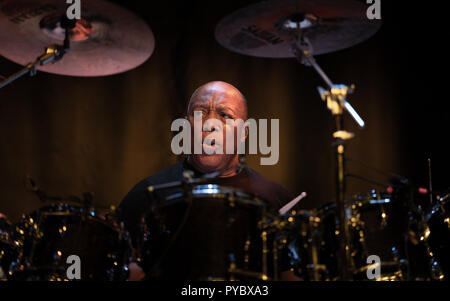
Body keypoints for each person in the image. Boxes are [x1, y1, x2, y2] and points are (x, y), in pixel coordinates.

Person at [119, 81, 296, 280]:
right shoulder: (147, 195)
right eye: (200, 113)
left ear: (244, 133)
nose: (210, 124)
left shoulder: (277, 199)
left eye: (225, 115)